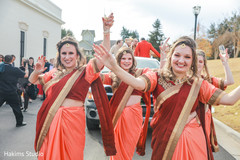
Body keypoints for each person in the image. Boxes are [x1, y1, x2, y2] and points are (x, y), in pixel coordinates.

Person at [94, 36, 240, 160]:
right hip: (164, 140)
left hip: (194, 142)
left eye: (187, 57)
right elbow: (138, 83)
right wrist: (114, 67)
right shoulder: (157, 76)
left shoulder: (198, 84)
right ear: (171, 57)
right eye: (177, 55)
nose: (181, 60)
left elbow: (230, 99)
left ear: (193, 61)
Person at [29, 35, 116, 159]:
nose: (67, 57)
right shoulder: (54, 73)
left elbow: (101, 58)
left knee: (73, 154)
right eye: (64, 53)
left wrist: (106, 32)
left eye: (71, 53)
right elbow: (33, 80)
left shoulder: (85, 72)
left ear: (77, 55)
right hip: (52, 120)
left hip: (74, 121)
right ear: (59, 55)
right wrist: (36, 71)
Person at [99, 13, 151, 159]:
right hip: (117, 116)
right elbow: (97, 76)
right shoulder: (113, 75)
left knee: (127, 152)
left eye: (129, 58)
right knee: (115, 153)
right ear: (118, 60)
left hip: (133, 117)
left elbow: (159, 75)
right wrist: (106, 33)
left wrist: (164, 57)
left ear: (133, 60)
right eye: (123, 59)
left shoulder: (140, 73)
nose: (127, 61)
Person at [197, 49, 234, 152]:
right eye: (195, 60)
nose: (197, 64)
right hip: (189, 122)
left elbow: (230, 81)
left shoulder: (208, 80)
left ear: (204, 64)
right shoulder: (183, 78)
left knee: (203, 150)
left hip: (205, 119)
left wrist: (225, 63)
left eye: (200, 61)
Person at [0, 55, 28, 127]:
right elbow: (26, 75)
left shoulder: (1, 69)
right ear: (12, 60)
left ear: (3, 60)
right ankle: (19, 123)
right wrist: (27, 69)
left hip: (1, 92)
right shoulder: (15, 69)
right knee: (16, 108)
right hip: (11, 92)